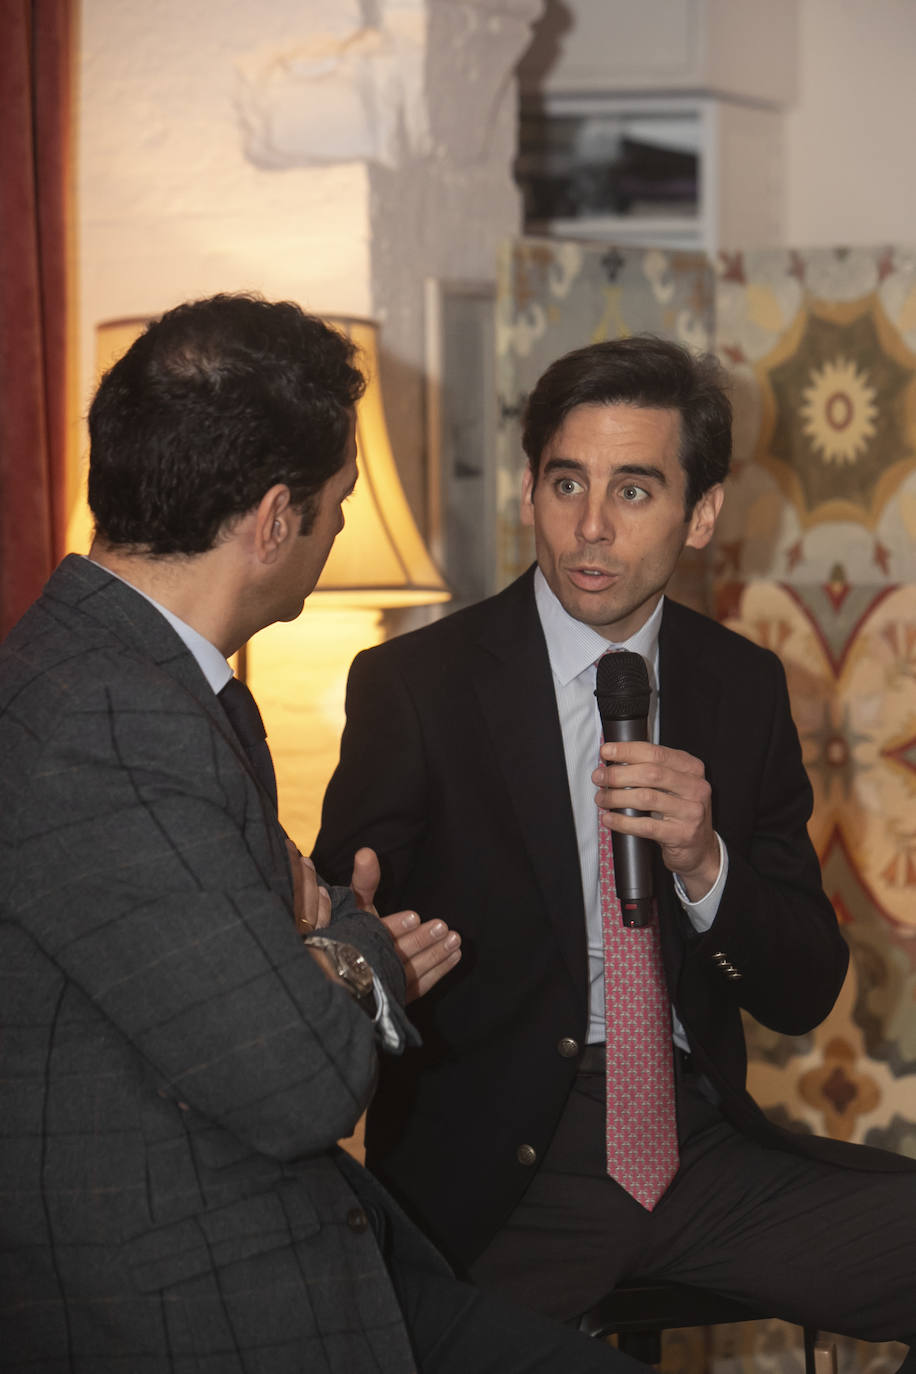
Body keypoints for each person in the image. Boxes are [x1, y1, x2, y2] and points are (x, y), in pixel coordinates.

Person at [0, 295, 646, 1374]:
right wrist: (361, 956)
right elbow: (299, 1079)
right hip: (197, 1296)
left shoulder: (136, 680)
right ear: (271, 521)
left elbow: (305, 922)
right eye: (338, 501)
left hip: (305, 1241)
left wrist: (320, 945)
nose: (341, 525)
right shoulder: (107, 721)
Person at [314, 335, 916, 1356]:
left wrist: (705, 866)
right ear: (529, 491)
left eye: (634, 491)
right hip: (500, 1175)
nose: (589, 527)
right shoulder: (415, 687)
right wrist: (354, 946)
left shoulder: (740, 685)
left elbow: (803, 987)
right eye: (566, 483)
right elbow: (343, 942)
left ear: (702, 514)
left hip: (694, 1148)